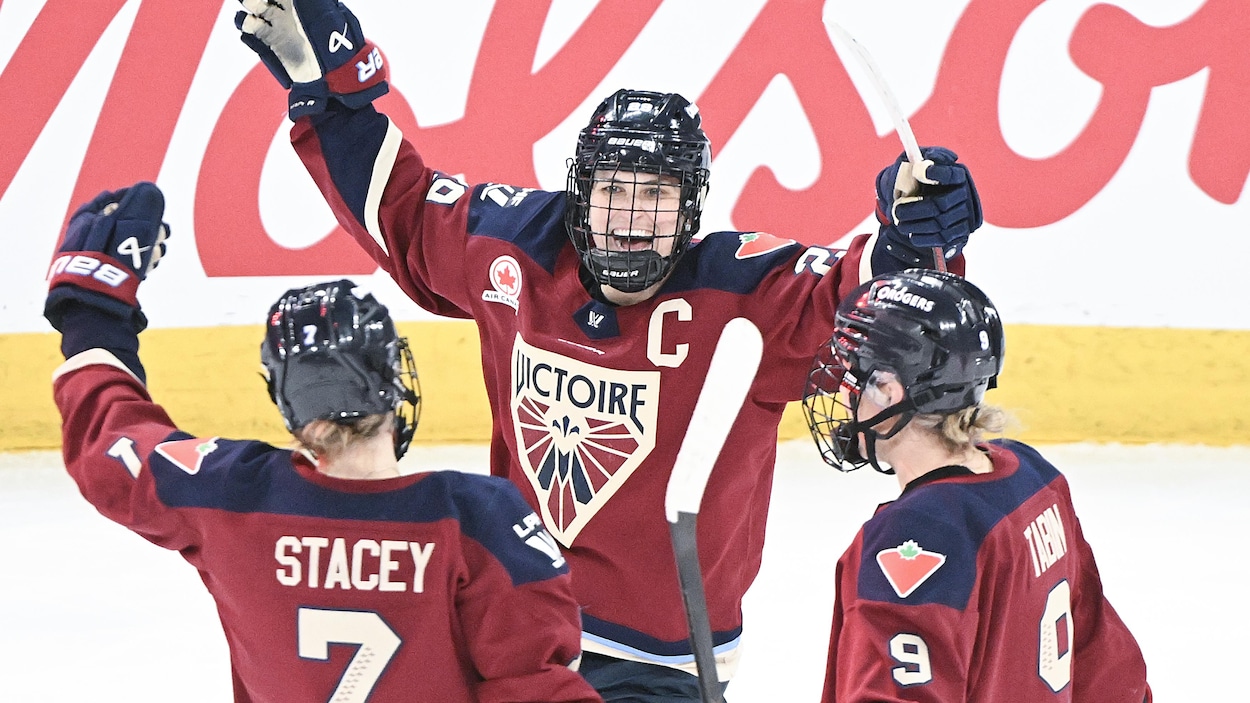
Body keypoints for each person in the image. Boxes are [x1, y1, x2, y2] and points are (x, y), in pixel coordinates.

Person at [234, 2, 984, 698]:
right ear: (579, 192)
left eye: (655, 196)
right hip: (515, 619)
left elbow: (871, 306)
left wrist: (914, 240)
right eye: (613, 191)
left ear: (690, 207)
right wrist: (334, 97)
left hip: (661, 659)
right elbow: (401, 208)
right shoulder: (514, 246)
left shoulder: (745, 292)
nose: (629, 219)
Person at [44, 182, 602, 703]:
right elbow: (536, 684)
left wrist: (91, 314)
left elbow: (111, 445)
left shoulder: (227, 494)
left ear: (287, 402)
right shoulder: (480, 520)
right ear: (393, 378)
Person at [801, 269, 1151, 702]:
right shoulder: (1033, 476)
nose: (842, 393)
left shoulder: (917, 537)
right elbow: (1107, 664)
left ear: (889, 390)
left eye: (852, 377)